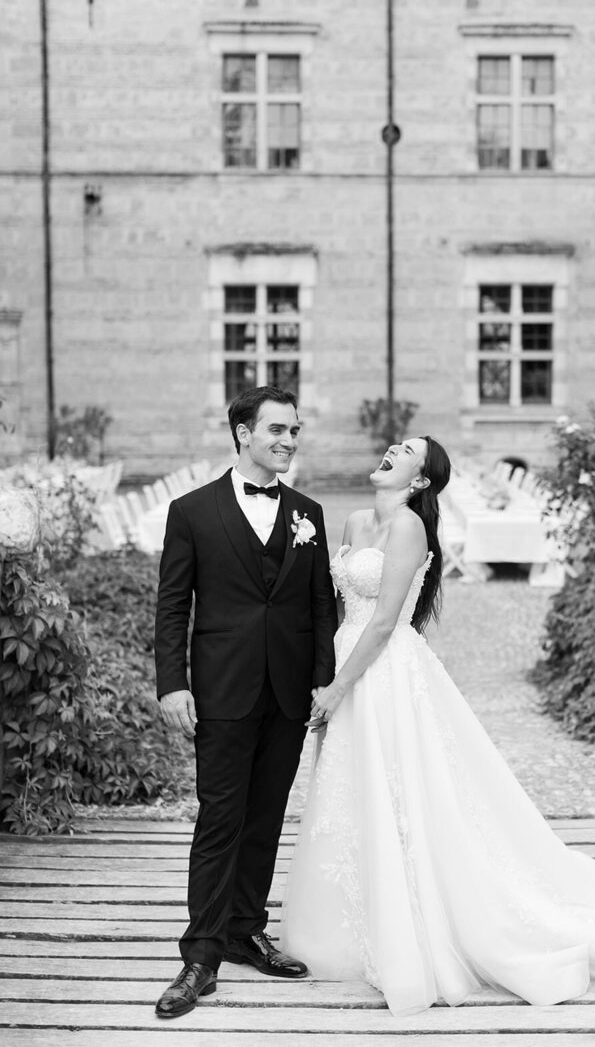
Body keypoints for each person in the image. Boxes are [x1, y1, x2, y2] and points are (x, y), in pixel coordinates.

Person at [282, 435, 595, 1017]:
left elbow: (386, 621)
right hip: (346, 661)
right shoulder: (354, 520)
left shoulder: (409, 528)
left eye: (407, 450)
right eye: (395, 444)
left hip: (386, 673)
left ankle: (417, 920)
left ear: (419, 481)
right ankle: (354, 919)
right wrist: (325, 675)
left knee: (407, 793)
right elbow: (339, 611)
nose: (391, 448)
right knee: (349, 792)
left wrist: (338, 688)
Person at [153, 386, 338, 1019]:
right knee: (219, 820)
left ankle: (246, 930)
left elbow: (320, 607)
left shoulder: (308, 512)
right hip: (222, 687)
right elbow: (173, 603)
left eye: (295, 431)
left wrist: (323, 682)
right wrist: (171, 683)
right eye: (278, 430)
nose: (289, 441)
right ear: (242, 433)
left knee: (265, 818)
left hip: (288, 694)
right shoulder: (192, 512)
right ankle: (200, 954)